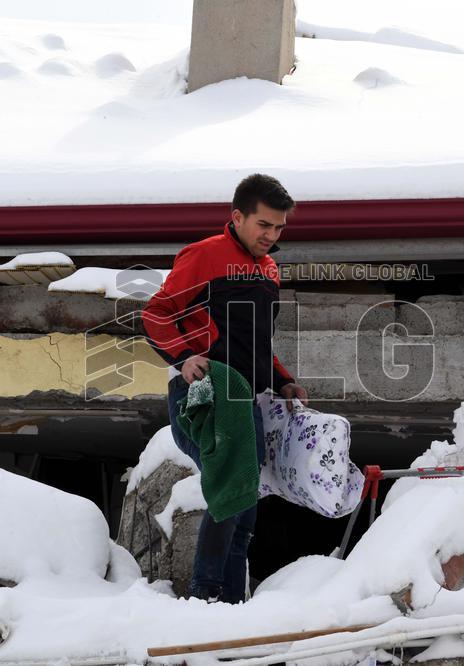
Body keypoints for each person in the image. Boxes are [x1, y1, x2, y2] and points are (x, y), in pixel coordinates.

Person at [142, 173, 308, 603]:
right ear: (237, 217)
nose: (271, 235)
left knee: (245, 507)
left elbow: (255, 345)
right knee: (235, 490)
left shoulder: (268, 269)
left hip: (244, 401)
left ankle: (231, 605)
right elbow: (156, 314)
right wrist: (182, 357)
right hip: (206, 397)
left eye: (279, 228)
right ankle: (206, 595)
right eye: (264, 225)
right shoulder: (204, 255)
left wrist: (283, 380)